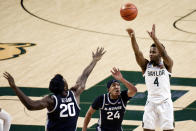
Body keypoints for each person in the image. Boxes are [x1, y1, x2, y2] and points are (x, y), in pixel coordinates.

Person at [3, 47, 105, 131]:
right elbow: (84, 76)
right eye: (64, 79)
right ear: (64, 86)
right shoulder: (75, 93)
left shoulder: (51, 100)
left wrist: (14, 87)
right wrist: (94, 61)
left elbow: (30, 105)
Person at [126, 24, 174, 131]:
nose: (150, 54)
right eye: (150, 52)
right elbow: (137, 53)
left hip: (165, 103)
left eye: (154, 52)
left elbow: (165, 54)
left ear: (159, 54)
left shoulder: (167, 65)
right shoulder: (146, 66)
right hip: (151, 102)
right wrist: (133, 37)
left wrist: (154, 38)